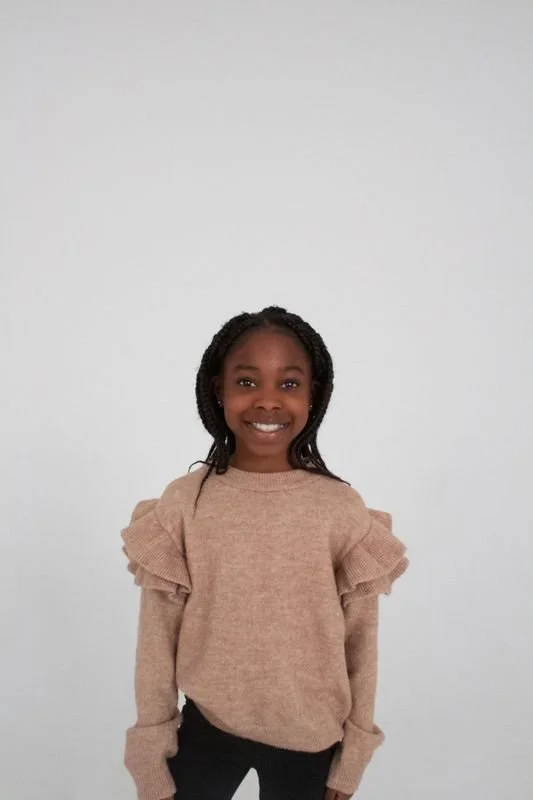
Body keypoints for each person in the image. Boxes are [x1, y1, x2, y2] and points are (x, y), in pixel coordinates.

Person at [121, 305, 409, 800]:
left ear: (314, 394)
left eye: (290, 384)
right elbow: (155, 642)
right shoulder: (185, 503)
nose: (268, 401)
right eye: (248, 382)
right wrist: (150, 756)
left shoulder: (339, 508)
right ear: (219, 389)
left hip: (312, 739)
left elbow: (362, 642)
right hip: (206, 730)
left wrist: (353, 757)